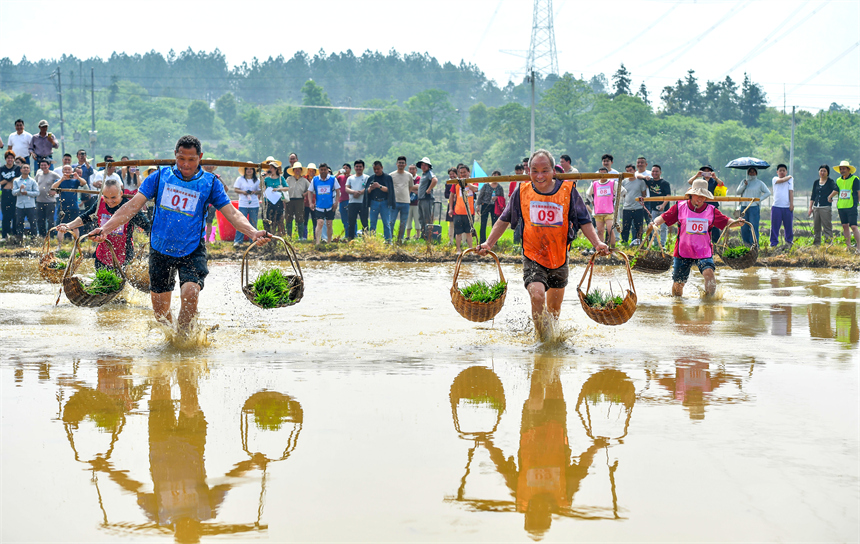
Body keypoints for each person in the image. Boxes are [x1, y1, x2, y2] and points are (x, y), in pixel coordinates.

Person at [88, 135, 270, 331]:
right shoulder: (159, 177)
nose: (186, 164)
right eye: (182, 158)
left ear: (200, 157)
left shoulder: (210, 183)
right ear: (175, 155)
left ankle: (184, 340)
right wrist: (105, 229)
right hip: (160, 248)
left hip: (192, 248)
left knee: (191, 293)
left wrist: (252, 232)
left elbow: (232, 213)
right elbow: (132, 206)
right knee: (160, 315)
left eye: (192, 159)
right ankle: (174, 338)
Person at [478, 149, 609, 328]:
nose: (539, 176)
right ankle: (540, 339)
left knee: (554, 310)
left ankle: (551, 340)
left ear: (553, 171)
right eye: (534, 170)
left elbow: (585, 220)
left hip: (559, 256)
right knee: (537, 295)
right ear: (528, 171)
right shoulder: (522, 191)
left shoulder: (568, 190)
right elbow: (504, 219)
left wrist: (597, 243)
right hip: (533, 255)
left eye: (544, 170)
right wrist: (488, 243)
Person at [650, 179, 740, 297]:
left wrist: (738, 223)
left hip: (703, 251)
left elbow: (727, 221)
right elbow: (663, 217)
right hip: (683, 251)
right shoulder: (680, 207)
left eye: (703, 196)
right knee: (678, 283)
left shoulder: (711, 211)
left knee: (709, 273)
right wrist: (655, 223)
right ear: (691, 195)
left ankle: (709, 301)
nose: (700, 198)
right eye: (697, 195)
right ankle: (677, 303)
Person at [57, 178, 150, 269]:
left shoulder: (129, 207)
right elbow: (86, 217)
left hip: (123, 253)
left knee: (120, 282)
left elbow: (147, 226)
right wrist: (68, 225)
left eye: (113, 197)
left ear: (121, 193)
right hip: (102, 252)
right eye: (106, 197)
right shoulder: (100, 202)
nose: (109, 201)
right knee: (101, 280)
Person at [585, 167, 626, 248]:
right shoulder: (595, 184)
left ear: (608, 174)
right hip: (598, 211)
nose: (603, 175)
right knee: (600, 231)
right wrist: (592, 201)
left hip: (609, 211)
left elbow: (623, 191)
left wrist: (616, 198)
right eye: (601, 173)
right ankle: (602, 249)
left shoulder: (612, 183)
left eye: (604, 173)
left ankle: (613, 248)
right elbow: (588, 194)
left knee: (610, 230)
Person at [686, 165, 726, 244]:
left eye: (708, 171)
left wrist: (715, 177)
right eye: (705, 171)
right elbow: (690, 182)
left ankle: (716, 243)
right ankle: (701, 242)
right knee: (701, 223)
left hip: (712, 204)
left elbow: (721, 185)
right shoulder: (700, 182)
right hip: (701, 205)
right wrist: (697, 176)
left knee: (714, 224)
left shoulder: (714, 181)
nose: (706, 173)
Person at [51, 164, 88, 246]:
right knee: (61, 226)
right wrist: (61, 179)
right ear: (62, 171)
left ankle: (76, 244)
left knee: (75, 226)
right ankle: (59, 245)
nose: (67, 171)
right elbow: (53, 188)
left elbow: (84, 182)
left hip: (74, 206)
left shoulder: (75, 181)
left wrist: (77, 177)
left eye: (69, 170)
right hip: (63, 206)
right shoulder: (59, 180)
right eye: (65, 170)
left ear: (72, 171)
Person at [735, 167, 771, 245]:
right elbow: (738, 192)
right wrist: (744, 185)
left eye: (753, 172)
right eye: (750, 172)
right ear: (748, 173)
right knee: (744, 226)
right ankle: (746, 244)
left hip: (754, 207)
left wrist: (759, 200)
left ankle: (754, 244)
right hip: (744, 206)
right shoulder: (744, 182)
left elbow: (768, 192)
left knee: (753, 226)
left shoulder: (759, 183)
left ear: (756, 173)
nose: (752, 173)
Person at [449, 164, 479, 252]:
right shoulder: (456, 183)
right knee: (458, 233)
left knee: (469, 233)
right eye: (461, 173)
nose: (463, 174)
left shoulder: (473, 181)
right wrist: (451, 208)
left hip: (469, 212)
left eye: (464, 172)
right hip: (458, 211)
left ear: (468, 172)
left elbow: (476, 189)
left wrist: (467, 183)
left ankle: (470, 250)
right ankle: (458, 250)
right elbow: (451, 195)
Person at [310, 163, 339, 246]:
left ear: (327, 170)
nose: (323, 171)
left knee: (329, 224)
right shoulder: (315, 179)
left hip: (330, 206)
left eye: (324, 170)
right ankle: (318, 242)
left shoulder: (333, 179)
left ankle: (329, 242)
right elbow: (310, 191)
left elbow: (338, 191)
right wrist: (311, 202)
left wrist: (336, 202)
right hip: (319, 206)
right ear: (319, 170)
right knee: (320, 222)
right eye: (321, 170)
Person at [808, 165, 838, 246]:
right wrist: (810, 208)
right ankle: (816, 244)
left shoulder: (830, 182)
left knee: (827, 227)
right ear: (818, 172)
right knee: (816, 227)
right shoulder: (816, 182)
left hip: (825, 207)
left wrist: (830, 196)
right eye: (821, 170)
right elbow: (813, 195)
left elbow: (836, 189)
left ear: (827, 172)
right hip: (816, 207)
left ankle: (828, 244)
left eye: (824, 171)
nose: (822, 172)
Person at [834, 160, 860, 253]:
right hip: (841, 206)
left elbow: (858, 192)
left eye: (844, 169)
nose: (842, 170)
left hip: (851, 206)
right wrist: (829, 197)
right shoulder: (838, 180)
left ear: (848, 169)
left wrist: (858, 202)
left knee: (853, 226)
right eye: (841, 169)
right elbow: (837, 190)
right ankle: (848, 246)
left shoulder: (855, 179)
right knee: (845, 226)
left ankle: (859, 247)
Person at [365, 160, 394, 242]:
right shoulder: (371, 178)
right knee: (373, 223)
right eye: (374, 169)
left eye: (378, 169)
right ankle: (372, 241)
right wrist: (370, 188)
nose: (376, 171)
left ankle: (388, 241)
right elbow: (366, 191)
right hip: (374, 202)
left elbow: (390, 190)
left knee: (386, 223)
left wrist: (379, 186)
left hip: (384, 202)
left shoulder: (388, 178)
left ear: (382, 168)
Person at [643, 164, 671, 248]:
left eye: (656, 171)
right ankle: (655, 244)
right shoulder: (650, 181)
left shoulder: (665, 183)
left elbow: (668, 196)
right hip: (653, 209)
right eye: (653, 171)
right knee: (653, 226)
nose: (655, 173)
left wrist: (663, 205)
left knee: (663, 227)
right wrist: (645, 177)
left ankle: (662, 244)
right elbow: (637, 175)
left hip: (664, 209)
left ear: (660, 172)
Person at [389, 156, 415, 243]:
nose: (401, 164)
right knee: (391, 222)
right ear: (396, 164)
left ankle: (400, 240)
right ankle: (390, 239)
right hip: (394, 202)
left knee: (403, 222)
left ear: (405, 164)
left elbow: (411, 187)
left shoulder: (409, 175)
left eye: (402, 163)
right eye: (399, 163)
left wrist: (406, 194)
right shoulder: (391, 175)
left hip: (406, 202)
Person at [233, 166, 260, 247]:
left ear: (253, 171)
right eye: (247, 169)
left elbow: (260, 190)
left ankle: (253, 240)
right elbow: (236, 189)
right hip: (243, 203)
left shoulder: (257, 180)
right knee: (241, 222)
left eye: (251, 169)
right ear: (245, 170)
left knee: (253, 222)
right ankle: (238, 241)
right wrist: (243, 192)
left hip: (254, 203)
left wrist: (254, 192)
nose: (249, 170)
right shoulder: (240, 179)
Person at [621, 164, 647, 245]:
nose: (629, 172)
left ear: (635, 170)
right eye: (627, 171)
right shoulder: (624, 182)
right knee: (625, 226)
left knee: (638, 226)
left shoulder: (641, 182)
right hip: (627, 208)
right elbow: (623, 193)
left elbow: (644, 194)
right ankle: (624, 242)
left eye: (631, 170)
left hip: (638, 208)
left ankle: (638, 242)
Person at [769, 164, 794, 248]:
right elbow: (782, 180)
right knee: (775, 226)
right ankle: (773, 243)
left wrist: (791, 204)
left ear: (786, 172)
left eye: (784, 170)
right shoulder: (775, 179)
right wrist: (790, 176)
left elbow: (791, 191)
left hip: (787, 207)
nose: (782, 172)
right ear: (777, 172)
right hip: (776, 206)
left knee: (788, 226)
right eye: (780, 170)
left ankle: (789, 242)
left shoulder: (790, 180)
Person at [33, 159, 59, 237]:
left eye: (45, 165)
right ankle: (42, 236)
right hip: (39, 201)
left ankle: (51, 236)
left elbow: (61, 183)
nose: (43, 167)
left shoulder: (54, 175)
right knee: (40, 220)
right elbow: (35, 184)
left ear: (49, 166)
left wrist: (56, 192)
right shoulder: (38, 174)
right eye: (42, 165)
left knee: (50, 220)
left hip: (50, 201)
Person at [476, 173, 505, 244]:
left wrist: (497, 198)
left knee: (495, 224)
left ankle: (494, 242)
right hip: (485, 205)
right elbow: (481, 196)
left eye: (497, 177)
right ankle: (482, 241)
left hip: (495, 206)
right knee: (483, 224)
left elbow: (502, 198)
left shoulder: (500, 188)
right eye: (494, 176)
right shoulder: (486, 185)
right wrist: (478, 206)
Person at [12, 163, 38, 239]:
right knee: (19, 223)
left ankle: (34, 239)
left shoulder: (33, 181)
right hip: (19, 205)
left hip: (30, 205)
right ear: (21, 170)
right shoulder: (16, 181)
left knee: (33, 223)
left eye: (27, 168)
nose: (26, 169)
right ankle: (19, 239)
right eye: (24, 168)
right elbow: (13, 192)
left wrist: (27, 193)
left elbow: (37, 193)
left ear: (29, 170)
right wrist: (19, 190)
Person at [262, 161, 288, 237]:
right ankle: (268, 234)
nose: (270, 169)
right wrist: (263, 178)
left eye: (272, 168)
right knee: (267, 218)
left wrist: (278, 189)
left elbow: (287, 188)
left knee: (278, 219)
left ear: (276, 169)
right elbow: (261, 188)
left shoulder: (281, 178)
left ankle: (277, 234)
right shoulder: (266, 179)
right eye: (269, 168)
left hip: (278, 202)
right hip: (268, 202)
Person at [284, 162, 310, 240]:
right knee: (288, 218)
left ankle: (300, 237)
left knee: (300, 218)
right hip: (289, 200)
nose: (297, 171)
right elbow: (284, 189)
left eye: (299, 169)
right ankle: (289, 236)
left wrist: (305, 194)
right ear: (293, 170)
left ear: (301, 170)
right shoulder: (288, 179)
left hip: (299, 200)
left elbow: (311, 189)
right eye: (296, 169)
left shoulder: (304, 180)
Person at [345, 160, 369, 240]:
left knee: (364, 222)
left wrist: (360, 192)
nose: (358, 168)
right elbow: (347, 188)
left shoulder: (366, 177)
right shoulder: (350, 178)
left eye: (360, 167)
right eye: (357, 167)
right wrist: (354, 192)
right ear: (354, 168)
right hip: (352, 203)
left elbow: (369, 188)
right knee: (351, 222)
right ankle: (350, 239)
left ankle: (366, 239)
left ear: (363, 168)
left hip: (363, 203)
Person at [415, 157, 437, 238]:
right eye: (422, 165)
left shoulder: (429, 173)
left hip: (426, 199)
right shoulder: (423, 175)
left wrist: (429, 189)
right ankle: (423, 234)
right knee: (421, 218)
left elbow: (435, 180)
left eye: (425, 165)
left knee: (427, 218)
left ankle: (429, 235)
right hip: (421, 199)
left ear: (428, 166)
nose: (423, 166)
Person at [1, 151, 21, 239]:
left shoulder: (17, 168)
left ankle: (16, 234)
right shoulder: (1, 169)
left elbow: (18, 179)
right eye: (8, 158)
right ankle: (5, 235)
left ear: (13, 159)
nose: (10, 160)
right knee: (6, 215)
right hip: (5, 194)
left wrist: (6, 180)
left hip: (14, 194)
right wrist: (11, 179)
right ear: (5, 159)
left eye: (11, 158)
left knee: (15, 215)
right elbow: (1, 182)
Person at [405, 164, 421, 239]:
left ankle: (418, 235)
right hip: (407, 202)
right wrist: (413, 189)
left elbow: (419, 188)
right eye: (410, 169)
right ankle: (408, 236)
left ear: (416, 170)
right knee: (408, 219)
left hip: (416, 203)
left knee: (417, 219)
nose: (411, 171)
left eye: (413, 169)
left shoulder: (419, 178)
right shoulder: (407, 177)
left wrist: (410, 188)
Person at [302, 163, 318, 241]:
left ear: (315, 172)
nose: (311, 172)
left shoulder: (317, 179)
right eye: (310, 171)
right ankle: (304, 236)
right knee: (305, 220)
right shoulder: (304, 179)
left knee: (315, 220)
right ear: (307, 171)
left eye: (313, 171)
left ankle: (316, 236)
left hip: (315, 203)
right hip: (305, 203)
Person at [444, 167, 458, 244]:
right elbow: (446, 194)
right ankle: (451, 241)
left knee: (459, 222)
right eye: (450, 174)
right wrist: (452, 195)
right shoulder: (448, 183)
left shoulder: (460, 182)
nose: (452, 176)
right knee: (451, 223)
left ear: (457, 174)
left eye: (453, 174)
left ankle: (462, 241)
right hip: (451, 205)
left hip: (459, 204)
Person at [336, 163, 351, 233]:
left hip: (350, 200)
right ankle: (347, 234)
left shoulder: (352, 177)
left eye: (347, 168)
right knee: (344, 219)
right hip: (342, 200)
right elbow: (332, 179)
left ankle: (353, 234)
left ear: (350, 170)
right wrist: (338, 173)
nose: (345, 169)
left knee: (351, 218)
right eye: (344, 168)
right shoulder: (340, 177)